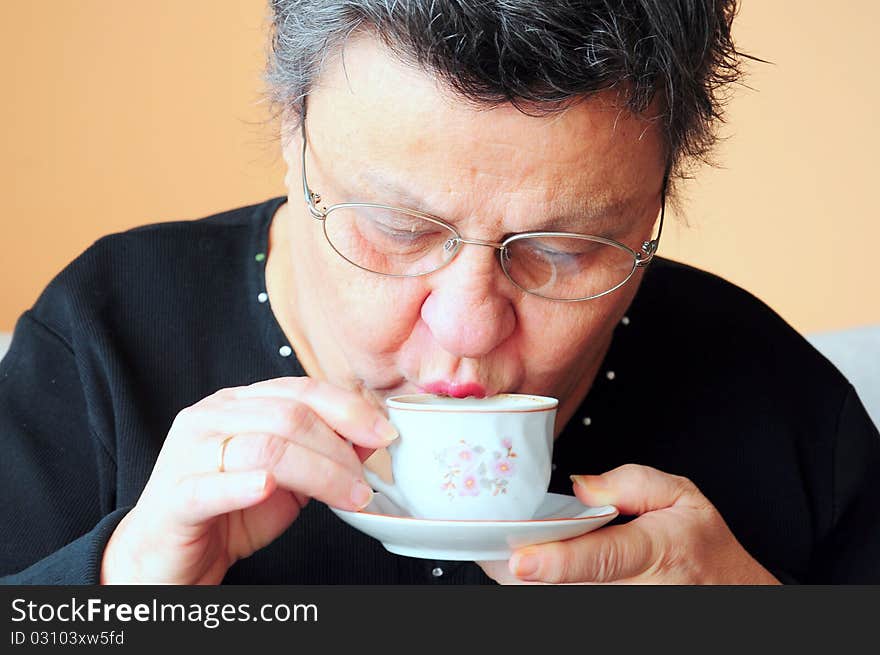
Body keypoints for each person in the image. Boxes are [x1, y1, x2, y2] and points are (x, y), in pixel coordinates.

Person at [1, 0, 878, 586]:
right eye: (395, 226)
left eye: (564, 251)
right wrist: (115, 594)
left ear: (657, 203)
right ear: (293, 132)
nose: (466, 328)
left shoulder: (785, 407)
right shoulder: (101, 342)